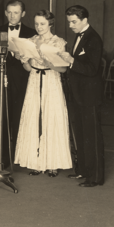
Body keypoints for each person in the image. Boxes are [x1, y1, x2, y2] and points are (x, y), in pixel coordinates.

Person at [14, 10, 72, 177]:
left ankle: (53, 162)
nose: (39, 27)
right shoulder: (31, 41)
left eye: (42, 24)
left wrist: (49, 62)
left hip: (51, 80)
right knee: (33, 116)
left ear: (50, 24)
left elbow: (62, 69)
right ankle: (36, 162)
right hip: (34, 79)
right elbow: (28, 68)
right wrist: (24, 60)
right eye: (37, 23)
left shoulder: (58, 42)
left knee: (51, 117)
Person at [60, 5, 104, 187]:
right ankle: (83, 171)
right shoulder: (80, 36)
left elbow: (92, 69)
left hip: (89, 96)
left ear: (85, 20)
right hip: (77, 94)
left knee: (91, 137)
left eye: (74, 22)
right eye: (69, 21)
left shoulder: (94, 39)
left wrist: (71, 60)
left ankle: (95, 177)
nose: (70, 25)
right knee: (80, 134)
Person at [0, 0, 36, 168]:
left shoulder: (31, 33)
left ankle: (19, 154)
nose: (12, 15)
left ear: (23, 14)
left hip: (23, 81)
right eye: (9, 12)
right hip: (1, 79)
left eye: (16, 12)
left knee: (19, 117)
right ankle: (3, 158)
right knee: (2, 117)